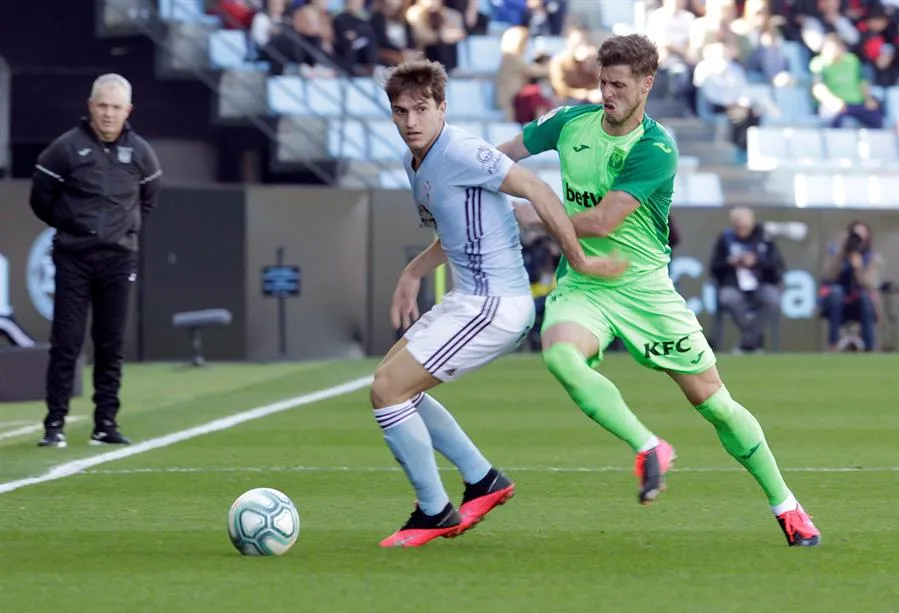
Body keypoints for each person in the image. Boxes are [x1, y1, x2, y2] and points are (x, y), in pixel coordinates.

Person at [497, 34, 821, 547]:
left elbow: (603, 220)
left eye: (619, 85)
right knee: (559, 355)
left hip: (645, 289)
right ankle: (648, 446)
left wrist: (534, 215)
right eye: (603, 83)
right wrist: (454, 175)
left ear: (647, 84)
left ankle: (788, 506)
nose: (608, 94)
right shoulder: (568, 123)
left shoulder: (655, 147)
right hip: (586, 282)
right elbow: (498, 159)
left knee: (714, 403)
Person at [372, 59, 625, 548]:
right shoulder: (415, 163)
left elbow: (537, 189)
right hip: (469, 298)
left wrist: (577, 258)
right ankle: (482, 480)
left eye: (422, 109)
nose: (411, 121)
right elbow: (455, 232)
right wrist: (412, 272)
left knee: (388, 391)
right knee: (394, 383)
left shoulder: (462, 150)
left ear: (442, 108)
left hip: (495, 305)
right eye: (401, 112)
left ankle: (434, 512)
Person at [29, 73, 162, 448]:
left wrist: (122, 230)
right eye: (102, 105)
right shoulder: (64, 149)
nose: (108, 113)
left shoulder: (141, 153)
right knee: (66, 343)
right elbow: (41, 199)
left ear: (128, 110)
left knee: (110, 344)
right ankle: (54, 424)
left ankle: (105, 424)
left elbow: (148, 200)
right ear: (90, 106)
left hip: (119, 260)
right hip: (73, 257)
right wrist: (71, 225)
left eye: (116, 107)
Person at [709, 206, 785, 352]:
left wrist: (756, 261)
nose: (742, 230)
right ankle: (753, 339)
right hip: (734, 286)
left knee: (772, 299)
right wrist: (729, 263)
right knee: (727, 298)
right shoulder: (725, 239)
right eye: (739, 227)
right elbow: (714, 267)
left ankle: (748, 340)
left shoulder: (764, 239)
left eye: (745, 227)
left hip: (760, 286)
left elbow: (777, 265)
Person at [820, 220, 882, 351]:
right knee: (836, 292)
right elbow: (828, 276)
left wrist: (858, 268)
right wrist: (840, 255)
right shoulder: (837, 254)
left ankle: (870, 346)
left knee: (865, 297)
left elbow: (871, 284)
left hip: (860, 304)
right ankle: (833, 344)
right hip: (836, 303)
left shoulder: (871, 259)